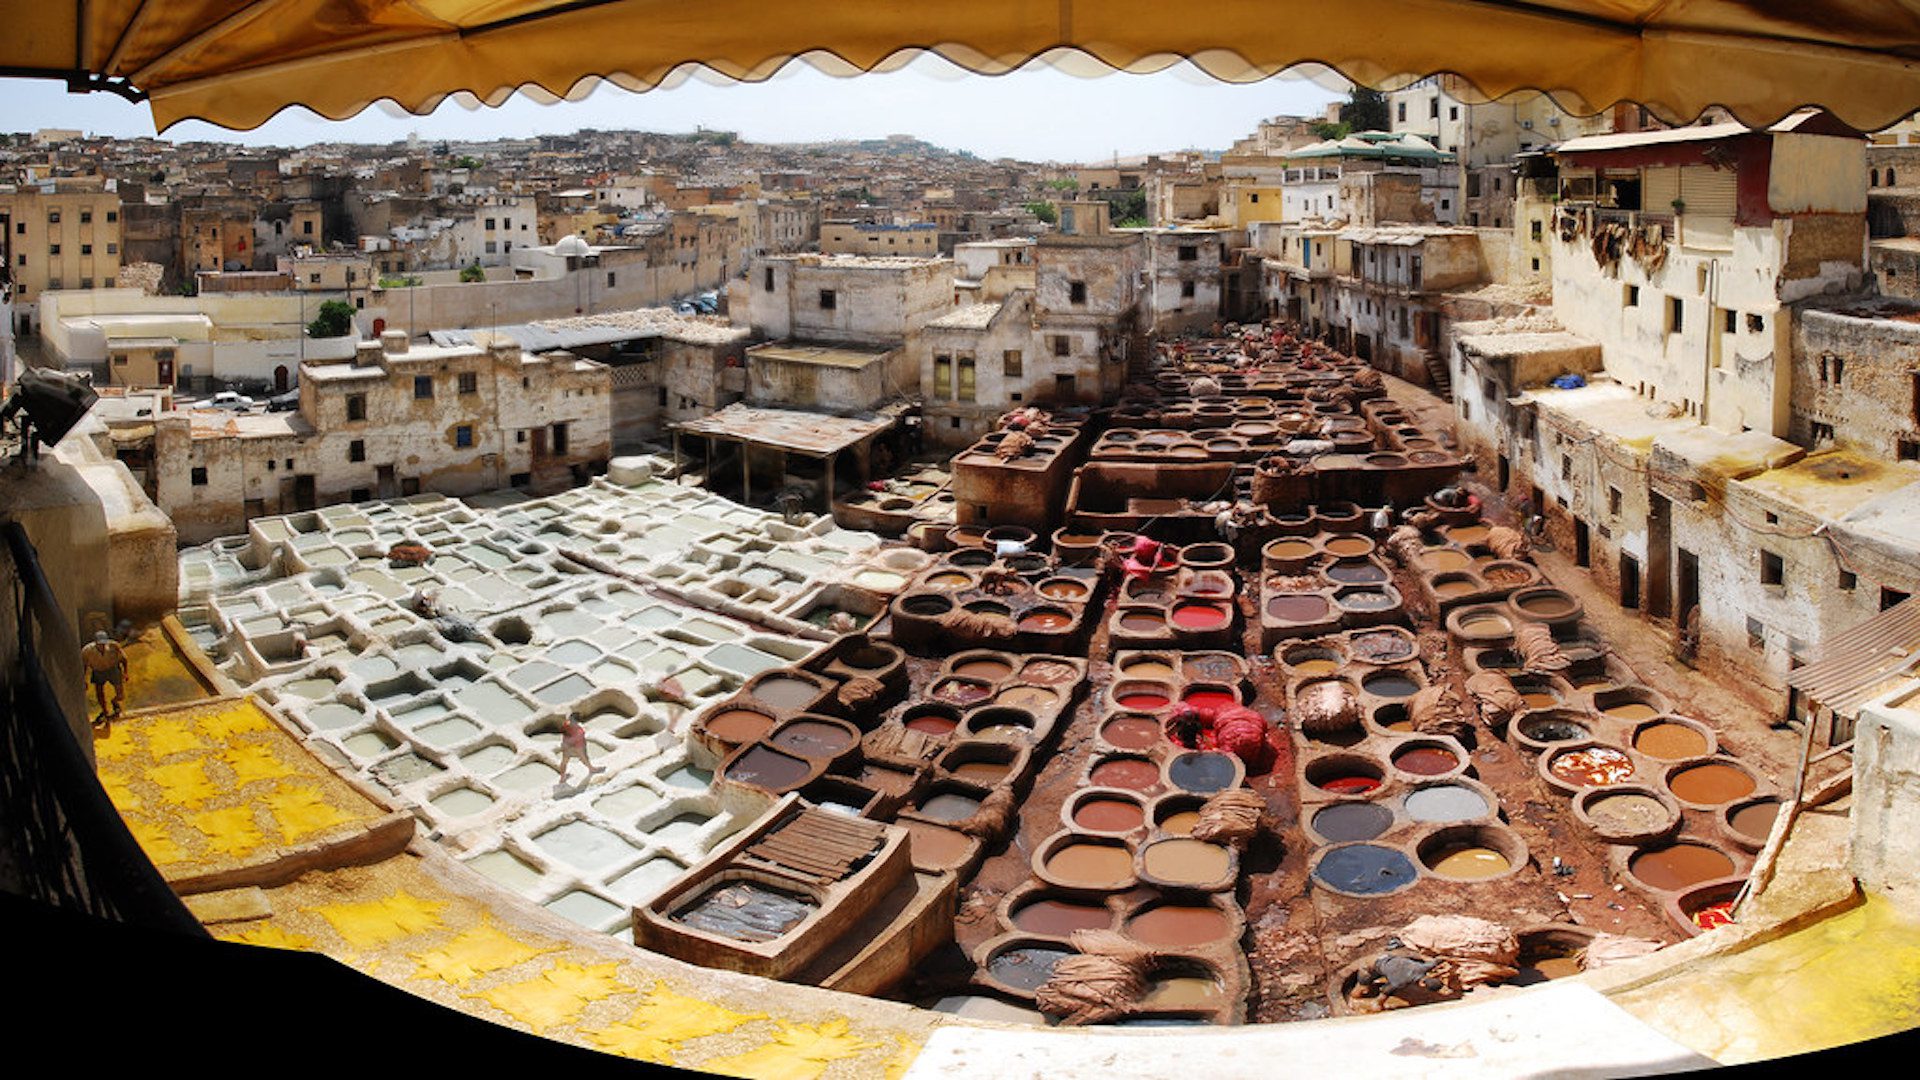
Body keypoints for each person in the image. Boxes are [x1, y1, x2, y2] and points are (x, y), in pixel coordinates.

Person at [82, 631, 128, 720]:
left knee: (120, 694)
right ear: (95, 643)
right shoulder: (87, 651)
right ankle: (105, 711)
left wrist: (125, 672)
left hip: (112, 669)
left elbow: (124, 659)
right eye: (100, 644)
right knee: (99, 692)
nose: (102, 646)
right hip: (98, 670)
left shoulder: (114, 646)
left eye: (103, 643)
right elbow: (84, 666)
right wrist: (84, 679)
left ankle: (114, 702)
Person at [556, 710, 602, 784]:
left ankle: (562, 777)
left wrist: (565, 744)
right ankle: (591, 769)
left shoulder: (566, 725)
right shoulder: (578, 730)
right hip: (577, 747)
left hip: (567, 746)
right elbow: (578, 740)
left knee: (565, 761)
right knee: (583, 758)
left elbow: (565, 734)